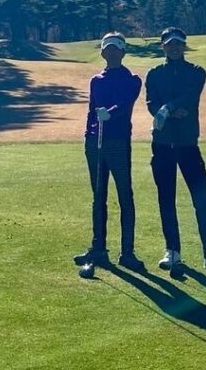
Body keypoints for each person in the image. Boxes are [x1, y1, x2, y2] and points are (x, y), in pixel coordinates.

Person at [145, 26, 206, 274]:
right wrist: (166, 111)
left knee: (201, 199)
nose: (174, 47)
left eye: (178, 43)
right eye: (169, 44)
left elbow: (190, 97)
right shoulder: (154, 74)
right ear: (163, 47)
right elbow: (151, 103)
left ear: (184, 46)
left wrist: (167, 109)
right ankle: (173, 251)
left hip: (188, 144)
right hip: (162, 145)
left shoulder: (196, 72)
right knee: (166, 199)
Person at [73, 32, 147, 272]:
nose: (112, 52)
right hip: (94, 143)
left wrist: (111, 112)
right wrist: (88, 136)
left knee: (125, 195)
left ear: (123, 52)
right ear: (102, 52)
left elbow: (126, 104)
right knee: (98, 197)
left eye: (116, 48)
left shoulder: (133, 79)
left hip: (117, 142)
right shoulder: (96, 80)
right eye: (108, 48)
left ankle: (127, 253)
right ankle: (99, 249)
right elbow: (91, 110)